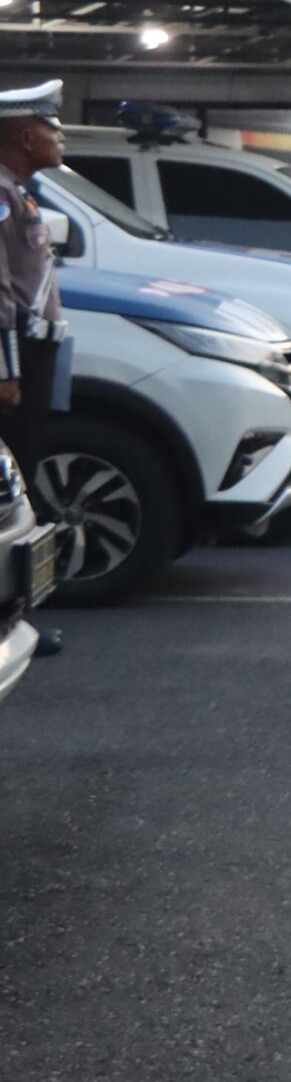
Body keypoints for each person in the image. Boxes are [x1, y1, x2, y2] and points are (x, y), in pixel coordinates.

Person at [0, 80, 69, 658]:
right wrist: (7, 369)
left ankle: (15, 614)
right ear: (24, 137)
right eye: (51, 126)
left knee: (22, 480)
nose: (60, 135)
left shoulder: (19, 194)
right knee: (12, 488)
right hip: (13, 357)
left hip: (33, 351)